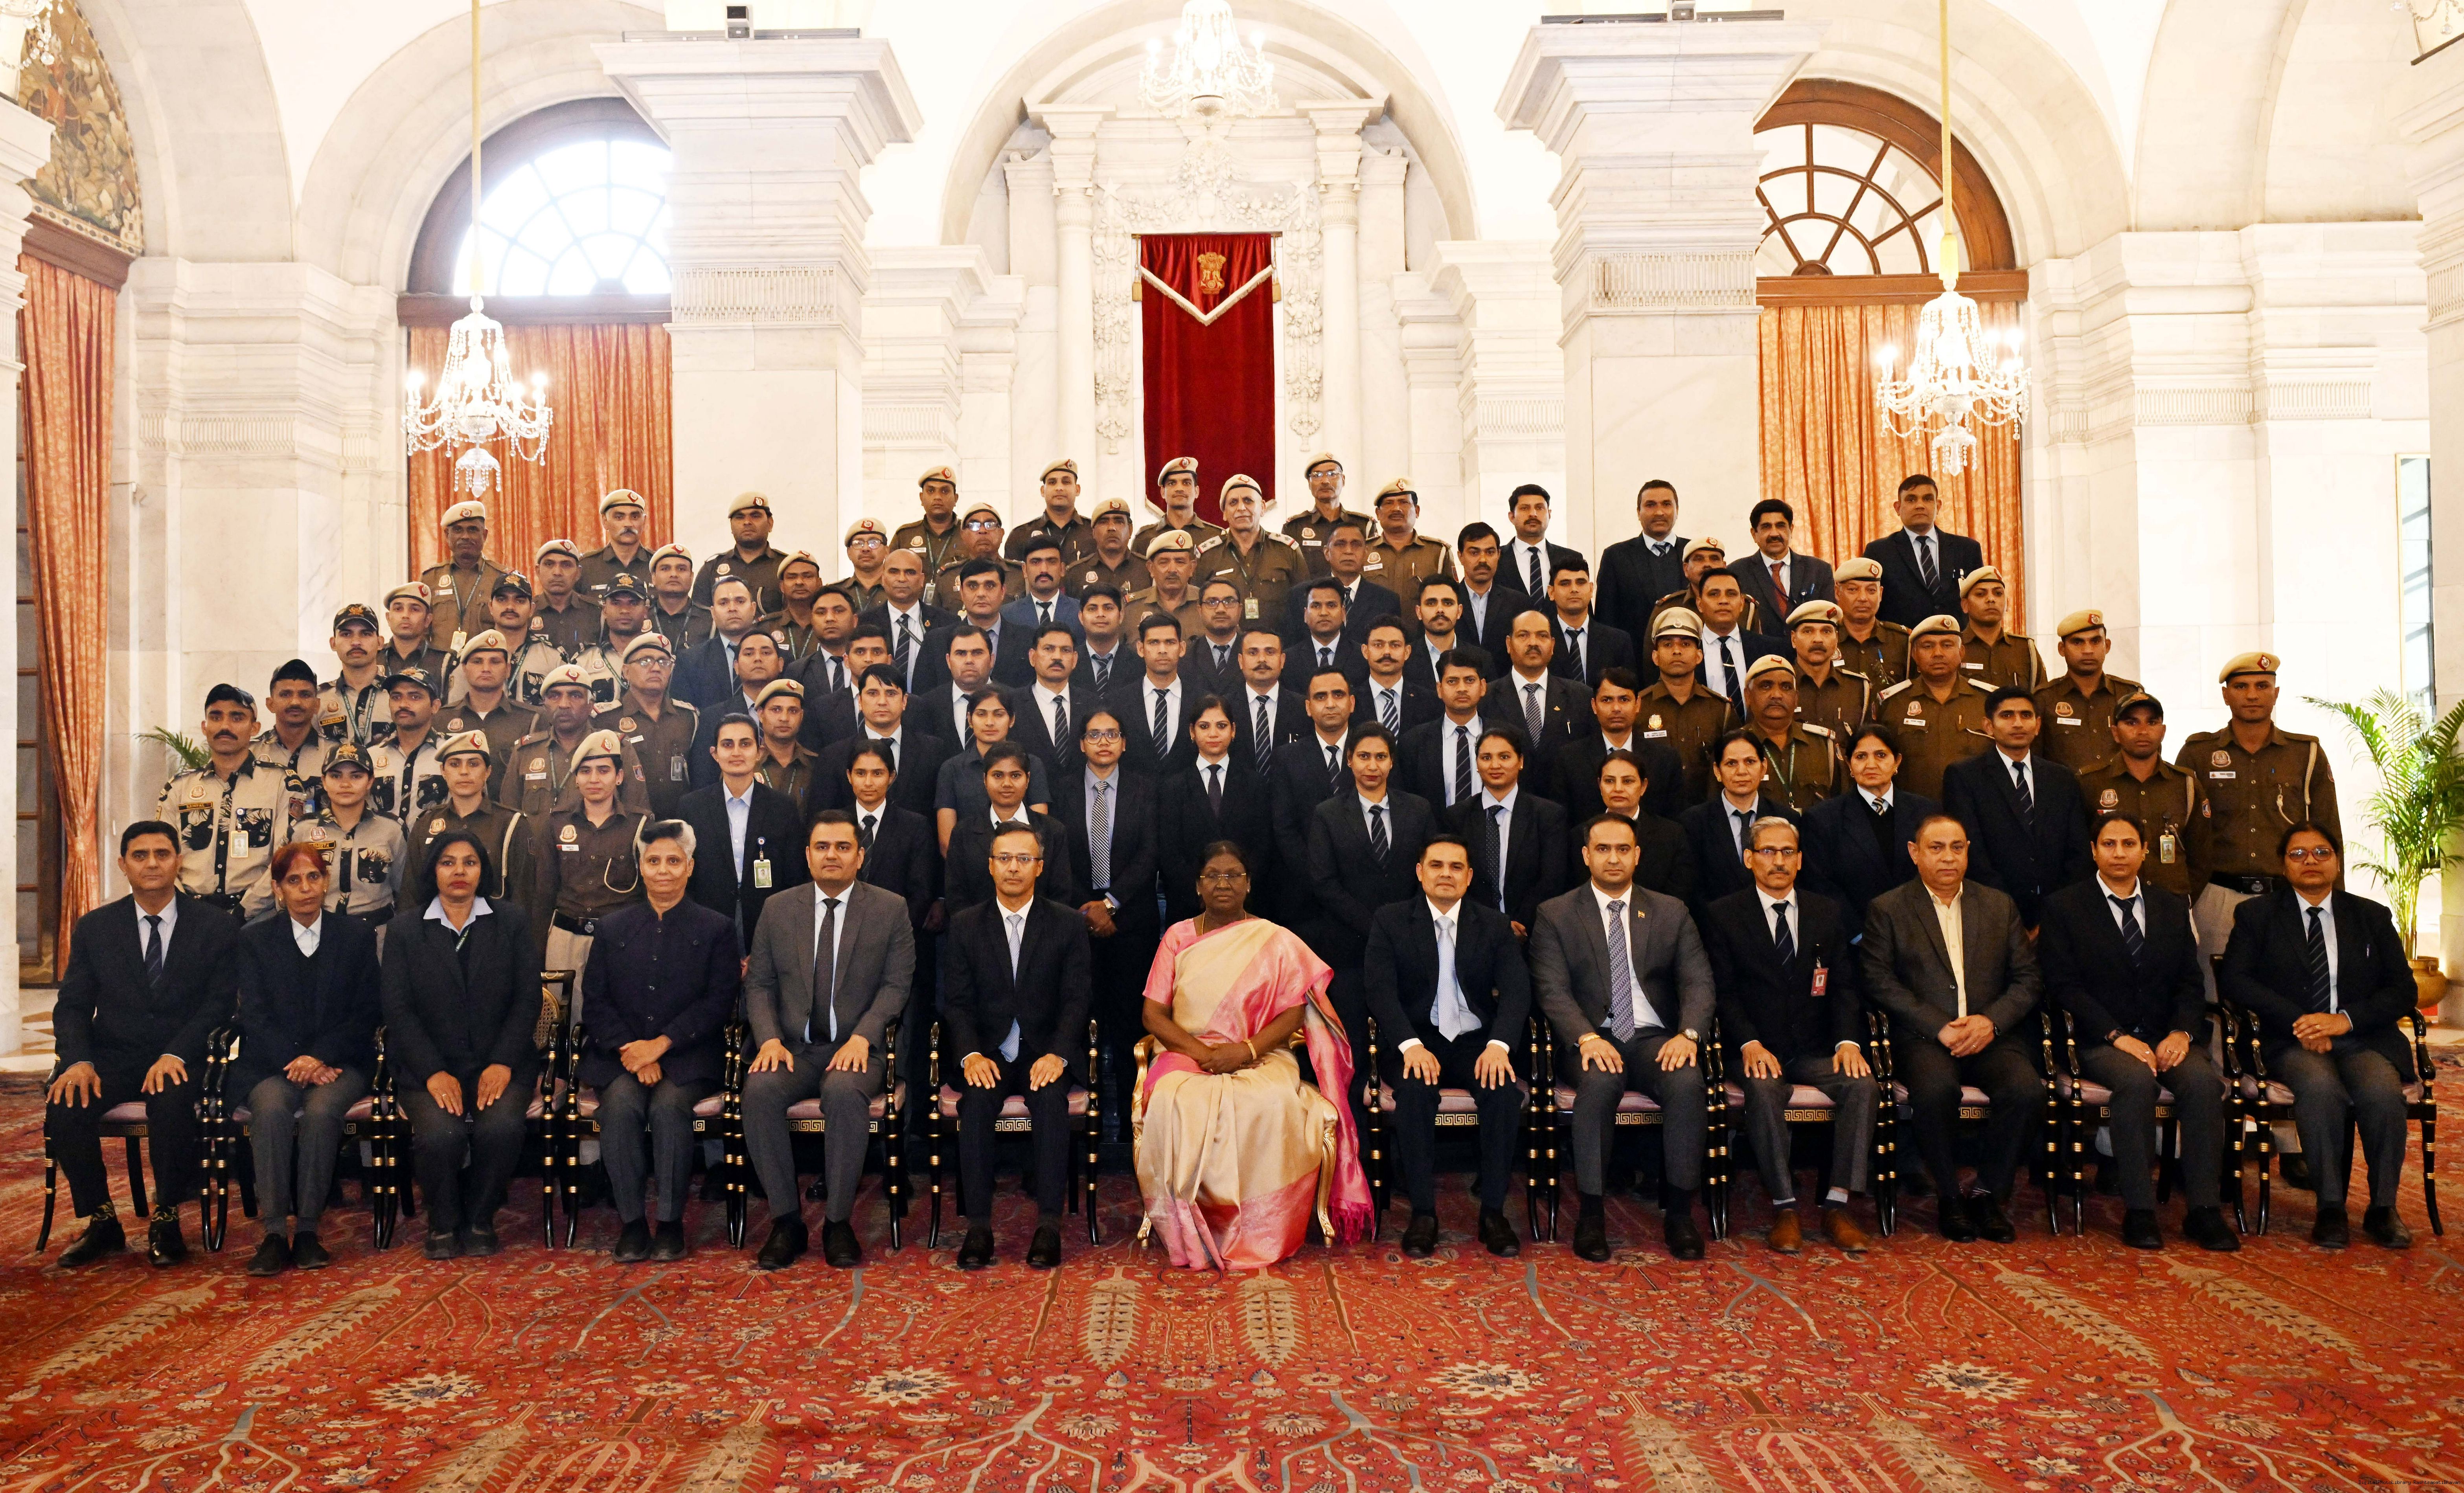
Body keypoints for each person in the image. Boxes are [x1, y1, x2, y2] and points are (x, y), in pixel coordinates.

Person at [1136, 840, 1373, 1267]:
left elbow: (1293, 1014)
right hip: (1186, 1052)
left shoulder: (1274, 938)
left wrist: (1244, 1051)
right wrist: (1203, 1053)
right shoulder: (1178, 936)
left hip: (1260, 1051)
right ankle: (1193, 1226)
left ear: (1249, 884)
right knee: (1176, 1098)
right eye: (1213, 875)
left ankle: (1259, 1229)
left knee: (1271, 1102)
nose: (1223, 883)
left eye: (1234, 875)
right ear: (1197, 886)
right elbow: (1153, 1014)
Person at [2037, 812, 2239, 1252]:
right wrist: (2117, 1036)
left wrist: (2182, 1034)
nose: (2119, 853)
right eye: (2109, 844)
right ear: (2094, 851)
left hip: (2166, 1037)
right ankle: (2141, 1210)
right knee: (2135, 1082)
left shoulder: (2171, 906)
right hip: (2100, 1040)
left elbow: (2190, 982)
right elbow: (2063, 987)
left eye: (2129, 844)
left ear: (2145, 851)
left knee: (2204, 1084)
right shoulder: (2064, 907)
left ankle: (2204, 1210)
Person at [44, 821, 242, 1268]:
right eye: (140, 855)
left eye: (162, 853)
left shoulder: (216, 926)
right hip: (113, 1055)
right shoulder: (96, 927)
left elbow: (220, 1005)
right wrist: (77, 1061)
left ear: (178, 861)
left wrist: (176, 1053)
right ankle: (102, 1221)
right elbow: (73, 1004)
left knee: (171, 1102)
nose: (152, 863)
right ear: (123, 865)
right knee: (66, 1103)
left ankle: (167, 1218)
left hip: (182, 1055)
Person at [2219, 821, 2419, 1250]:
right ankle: (2330, 1207)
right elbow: (2235, 980)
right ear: (2283, 865)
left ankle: (2383, 1207)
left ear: (2337, 861)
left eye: (2321, 852)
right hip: (2289, 1040)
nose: (2310, 861)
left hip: (2361, 1037)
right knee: (2318, 1087)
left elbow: (2403, 989)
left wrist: (2344, 1021)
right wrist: (2304, 1021)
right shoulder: (2257, 916)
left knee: (2382, 1093)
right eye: (2298, 854)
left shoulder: (2370, 916)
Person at [1532, 813, 1715, 1261]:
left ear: (1637, 856)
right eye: (1603, 849)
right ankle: (1592, 1215)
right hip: (1592, 1037)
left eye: (1622, 849)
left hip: (1654, 1037)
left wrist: (1689, 1035)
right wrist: (1585, 1038)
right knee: (1598, 1084)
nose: (1613, 858)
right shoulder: (1556, 913)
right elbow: (1552, 989)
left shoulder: (1671, 910)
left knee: (1687, 1081)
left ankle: (1680, 1214)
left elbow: (1698, 981)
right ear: (1586, 855)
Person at [1857, 813, 2045, 1243]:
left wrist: (1990, 1022)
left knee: (2026, 1091)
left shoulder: (1998, 905)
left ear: (1968, 852)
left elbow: (2028, 979)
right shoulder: (1888, 908)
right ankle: (1949, 1197)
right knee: (1935, 1091)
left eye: (1957, 848)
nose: (1948, 858)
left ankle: (1987, 1194)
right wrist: (1937, 1026)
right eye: (1936, 848)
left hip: (1990, 1035)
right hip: (1924, 1038)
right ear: (1915, 853)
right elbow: (1878, 980)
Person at [742, 813, 916, 1270]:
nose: (831, 855)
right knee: (759, 1092)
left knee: (842, 1092)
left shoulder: (890, 908)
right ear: (808, 855)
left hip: (858, 1049)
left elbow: (897, 985)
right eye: (822, 847)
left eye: (843, 847)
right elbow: (758, 984)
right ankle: (786, 1221)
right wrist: (768, 1039)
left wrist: (863, 1036)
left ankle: (838, 1222)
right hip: (794, 1049)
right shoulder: (778, 908)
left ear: (860, 856)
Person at [1701, 815, 1875, 1255]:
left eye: (1787, 852)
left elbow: (1843, 986)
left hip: (1815, 1048)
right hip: (1755, 1048)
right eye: (1767, 851)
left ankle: (1837, 1204)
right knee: (1763, 1090)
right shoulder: (1723, 914)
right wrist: (1749, 1043)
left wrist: (1848, 1043)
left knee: (1862, 1084)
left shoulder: (1825, 911)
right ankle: (1785, 1207)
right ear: (1749, 858)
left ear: (1800, 860)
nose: (1778, 861)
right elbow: (1723, 992)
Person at [1361, 835, 1530, 1258]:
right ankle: (1423, 1214)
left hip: (1476, 1042)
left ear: (1469, 877)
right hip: (1417, 1039)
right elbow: (1380, 991)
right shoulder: (1391, 920)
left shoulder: (1493, 924)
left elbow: (1516, 991)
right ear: (1420, 872)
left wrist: (1499, 1046)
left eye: (1456, 867)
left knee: (1502, 1092)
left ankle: (1493, 1213)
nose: (1446, 874)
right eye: (1436, 865)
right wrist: (1410, 1046)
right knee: (1415, 1093)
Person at [579, 820, 739, 1263]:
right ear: (641, 867)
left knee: (669, 1108)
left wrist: (662, 1045)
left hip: (689, 1057)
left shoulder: (717, 928)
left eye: (673, 861)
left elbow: (718, 1001)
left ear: (690, 867)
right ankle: (632, 1223)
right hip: (622, 1056)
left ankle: (669, 1223)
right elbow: (596, 1002)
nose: (663, 870)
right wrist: (633, 1050)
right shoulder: (612, 928)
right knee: (620, 1107)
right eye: (654, 861)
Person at [383, 829, 544, 1258]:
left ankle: (480, 1216)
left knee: (501, 1128)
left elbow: (527, 999)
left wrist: (503, 1061)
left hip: (501, 1061)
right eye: (448, 862)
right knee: (440, 1135)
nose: (459, 871)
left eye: (469, 862)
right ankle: (443, 1219)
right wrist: (433, 1071)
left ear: (482, 871)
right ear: (433, 870)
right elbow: (398, 1011)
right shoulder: (405, 929)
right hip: (429, 1065)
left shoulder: (511, 921)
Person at [944, 823, 1094, 1269]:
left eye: (1024, 859)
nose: (1014, 867)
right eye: (1005, 858)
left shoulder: (1067, 923)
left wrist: (1059, 1054)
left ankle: (1048, 1225)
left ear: (1040, 867)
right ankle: (979, 1228)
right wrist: (970, 1054)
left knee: (1050, 1101)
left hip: (1044, 1050)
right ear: (990, 866)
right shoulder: (965, 924)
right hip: (987, 1052)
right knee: (976, 1102)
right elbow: (955, 1002)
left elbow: (1077, 999)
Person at [226, 842, 381, 1275]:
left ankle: (309, 1230)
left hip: (341, 1062)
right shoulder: (255, 939)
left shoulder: (355, 936)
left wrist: (320, 1057)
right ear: (278, 889)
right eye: (293, 880)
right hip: (273, 1063)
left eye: (313, 877)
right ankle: (275, 1233)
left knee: (321, 1111)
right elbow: (254, 1015)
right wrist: (298, 1060)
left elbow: (367, 1011)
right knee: (272, 1110)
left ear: (326, 882)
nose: (306, 887)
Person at [2177, 651, 2340, 966]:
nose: (2252, 695)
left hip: (2288, 896)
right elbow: (2182, 832)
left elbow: (2330, 832)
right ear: (2226, 695)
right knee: (2215, 988)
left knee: (2290, 984)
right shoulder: (2198, 753)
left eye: (2262, 686)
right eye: (2241, 687)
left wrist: (2335, 901)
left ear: (2276, 693)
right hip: (2217, 896)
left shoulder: (2306, 753)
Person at [1306, 724, 1437, 1107]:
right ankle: (1355, 1138)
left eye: (1381, 757)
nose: (1372, 765)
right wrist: (1376, 926)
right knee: (1355, 1058)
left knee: (1405, 1050)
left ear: (1392, 762)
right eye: (1364, 756)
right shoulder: (1328, 814)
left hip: (1409, 949)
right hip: (1349, 951)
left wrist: (1401, 927)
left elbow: (1431, 872)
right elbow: (1324, 883)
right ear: (1349, 761)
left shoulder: (1419, 810)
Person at [1049, 709, 1161, 1135]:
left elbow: (1150, 852)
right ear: (1081, 743)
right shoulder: (1061, 790)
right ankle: (1082, 1125)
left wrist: (1110, 904)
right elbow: (1056, 855)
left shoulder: (1145, 789)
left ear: (1124, 743)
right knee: (1078, 1017)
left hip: (1132, 921)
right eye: (1094, 734)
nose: (1103, 742)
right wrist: (1088, 907)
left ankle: (1135, 1126)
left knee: (1130, 1022)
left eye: (1112, 734)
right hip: (1074, 921)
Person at [1942, 687, 2092, 929]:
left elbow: (2079, 852)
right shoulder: (1964, 777)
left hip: (2058, 915)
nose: (2018, 723)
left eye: (2026, 715)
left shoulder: (2062, 778)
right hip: (1993, 913)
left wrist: (2055, 914)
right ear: (1988, 726)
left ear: (2038, 725)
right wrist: (2008, 914)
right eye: (2007, 715)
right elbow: (1972, 852)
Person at [159, 683, 291, 917]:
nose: (225, 727)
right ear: (205, 727)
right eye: (216, 717)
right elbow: (162, 856)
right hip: (191, 917)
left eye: (237, 718)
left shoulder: (281, 783)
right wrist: (187, 910)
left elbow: (285, 857)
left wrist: (243, 911)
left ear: (255, 728)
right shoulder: (178, 788)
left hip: (258, 919)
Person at [1798, 724, 1939, 931]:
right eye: (1861, 757)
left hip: (1922, 930)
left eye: (1881, 755)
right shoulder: (1823, 819)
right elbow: (1820, 885)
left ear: (1897, 761)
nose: (1871, 764)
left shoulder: (1927, 813)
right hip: (1856, 937)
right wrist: (1860, 934)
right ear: (1849, 764)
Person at [679, 714, 808, 938]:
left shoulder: (782, 807)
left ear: (759, 752)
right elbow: (685, 874)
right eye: (728, 745)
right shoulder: (692, 807)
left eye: (745, 744)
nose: (736, 752)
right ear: (715, 754)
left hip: (768, 922)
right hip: (706, 923)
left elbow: (794, 876)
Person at [531, 729, 649, 973]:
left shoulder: (640, 825)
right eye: (585, 771)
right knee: (561, 1000)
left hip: (622, 939)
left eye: (603, 771)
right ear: (576, 779)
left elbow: (648, 893)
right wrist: (538, 949)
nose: (594, 779)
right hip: (566, 939)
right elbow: (544, 891)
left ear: (619, 777)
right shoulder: (556, 823)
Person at [255, 744, 408, 928]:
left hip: (378, 932)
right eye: (336, 776)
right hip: (318, 932)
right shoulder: (302, 831)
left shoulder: (392, 830)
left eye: (356, 776)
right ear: (324, 782)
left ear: (370, 782)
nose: (345, 784)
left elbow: (406, 892)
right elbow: (283, 884)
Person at [2077, 692, 2210, 903]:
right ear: (2115, 733)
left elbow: (2202, 856)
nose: (2143, 731)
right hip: (2108, 906)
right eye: (2132, 723)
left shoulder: (2185, 783)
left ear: (2163, 731)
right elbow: (2079, 853)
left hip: (2172, 905)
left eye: (2152, 722)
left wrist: (2180, 901)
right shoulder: (2090, 783)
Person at [1160, 697, 1276, 920]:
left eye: (1221, 726)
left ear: (1233, 731)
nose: (1213, 734)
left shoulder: (1255, 784)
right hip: (1190, 906)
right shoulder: (1173, 787)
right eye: (1204, 726)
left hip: (1245, 906)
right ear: (1192, 732)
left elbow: (1262, 846)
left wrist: (1238, 892)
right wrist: (1202, 894)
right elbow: (1170, 853)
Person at [1451, 727, 1569, 936]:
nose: (1495, 765)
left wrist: (1519, 923)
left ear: (1521, 761)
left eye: (1504, 757)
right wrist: (1493, 926)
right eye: (1486, 758)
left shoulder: (1548, 815)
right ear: (1477, 764)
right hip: (1474, 931)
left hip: (1533, 931)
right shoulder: (1457, 817)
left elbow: (1552, 880)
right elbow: (1454, 878)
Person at [943, 742, 1076, 913]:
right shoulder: (963, 833)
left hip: (1041, 928)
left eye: (1015, 776)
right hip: (976, 928)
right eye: (998, 776)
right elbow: (956, 897)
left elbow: (1061, 895)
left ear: (1028, 779)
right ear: (985, 780)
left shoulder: (1053, 831)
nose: (1007, 783)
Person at [811, 663, 954, 821]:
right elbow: (823, 820)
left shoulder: (934, 751)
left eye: (891, 693)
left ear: (905, 701)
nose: (882, 702)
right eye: (873, 694)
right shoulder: (834, 756)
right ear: (860, 701)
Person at [1872, 615, 1992, 799]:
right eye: (1928, 646)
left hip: (1975, 809)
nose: (1938, 653)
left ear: (1962, 652)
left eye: (1947, 645)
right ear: (1914, 655)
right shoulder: (1892, 703)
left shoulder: (1988, 701)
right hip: (1912, 810)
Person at [1681, 730, 1800, 910]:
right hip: (1714, 921)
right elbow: (1692, 888)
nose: (1742, 771)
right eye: (1732, 763)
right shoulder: (1694, 822)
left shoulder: (1787, 819)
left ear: (1763, 768)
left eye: (1750, 762)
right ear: (1717, 771)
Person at [408, 731, 531, 901]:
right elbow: (411, 896)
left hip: (495, 917)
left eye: (473, 764)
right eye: (455, 764)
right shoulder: (425, 824)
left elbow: (523, 898)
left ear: (488, 772)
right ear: (443, 771)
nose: (464, 772)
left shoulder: (512, 825)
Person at [593, 632, 700, 819]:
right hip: (627, 822)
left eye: (664, 663)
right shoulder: (606, 720)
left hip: (680, 821)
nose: (656, 668)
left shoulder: (688, 718)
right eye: (645, 661)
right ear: (626, 672)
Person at [1637, 609, 1735, 809]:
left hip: (1709, 815)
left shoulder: (1720, 709)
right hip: (1654, 814)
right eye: (1668, 644)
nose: (1677, 651)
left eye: (1686, 644)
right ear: (1655, 657)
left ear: (1699, 656)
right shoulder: (1638, 707)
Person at [1861, 474, 1985, 628]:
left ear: (1938, 506)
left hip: (1956, 638)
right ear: (1898, 508)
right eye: (1911, 500)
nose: (1920, 505)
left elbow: (1980, 599)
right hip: (1902, 640)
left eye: (1927, 499)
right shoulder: (1879, 552)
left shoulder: (1967, 549)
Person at [1193, 474, 1309, 626]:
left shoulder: (1287, 550)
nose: (1241, 508)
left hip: (1279, 640)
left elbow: (1305, 603)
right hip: (1227, 640)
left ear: (1263, 508)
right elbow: (1198, 608)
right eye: (1233, 503)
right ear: (1225, 513)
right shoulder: (1208, 555)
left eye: (1248, 501)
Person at [2032, 609, 2139, 773]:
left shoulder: (2129, 694)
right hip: (2066, 789)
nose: (2088, 650)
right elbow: (2034, 760)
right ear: (2062, 649)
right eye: (2078, 642)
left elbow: (2147, 750)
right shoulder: (2044, 698)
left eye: (2096, 641)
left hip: (2121, 788)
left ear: (2107, 646)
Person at [436, 631, 536, 803]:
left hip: (512, 816)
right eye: (477, 662)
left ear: (508, 670)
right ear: (464, 669)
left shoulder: (531, 720)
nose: (486, 669)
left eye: (495, 662)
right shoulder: (441, 719)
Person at [1584, 748, 1696, 902]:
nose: (1618, 789)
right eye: (1610, 781)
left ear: (1643, 786)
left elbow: (1678, 897)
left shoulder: (1672, 836)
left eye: (1628, 781)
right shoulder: (1579, 836)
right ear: (1600, 785)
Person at [1737, 654, 1844, 814]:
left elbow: (1843, 804)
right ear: (1748, 696)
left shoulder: (1823, 745)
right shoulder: (1733, 748)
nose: (1777, 695)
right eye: (1766, 686)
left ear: (1796, 699)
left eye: (1786, 687)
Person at [1592, 478, 1688, 645]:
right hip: (1634, 657)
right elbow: (1605, 620)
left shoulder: (1696, 554)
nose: (1659, 512)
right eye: (1651, 505)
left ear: (1677, 510)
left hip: (1691, 654)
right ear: (1638, 512)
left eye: (1666, 504)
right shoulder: (1615, 557)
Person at [1498, 609, 1594, 769]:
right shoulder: (1486, 698)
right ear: (1509, 644)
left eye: (1542, 636)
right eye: (1523, 635)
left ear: (1553, 645)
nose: (1533, 643)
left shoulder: (1581, 697)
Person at [1283, 521, 1400, 652]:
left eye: (1356, 545)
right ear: (1327, 553)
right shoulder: (1300, 596)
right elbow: (1291, 649)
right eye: (1340, 544)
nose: (1349, 551)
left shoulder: (1386, 601)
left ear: (1366, 553)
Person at [1399, 648, 1491, 811]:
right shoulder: (1414, 743)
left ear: (1483, 687)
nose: (1462, 688)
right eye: (1452, 681)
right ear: (1439, 689)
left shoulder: (1506, 738)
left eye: (1470, 680)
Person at [420, 499, 509, 653]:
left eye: (473, 530)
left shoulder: (501, 578)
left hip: (485, 664)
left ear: (485, 535)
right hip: (439, 664)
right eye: (458, 530)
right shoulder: (431, 578)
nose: (466, 536)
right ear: (447, 535)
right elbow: (421, 631)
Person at [1731, 498, 1836, 626]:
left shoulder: (1819, 570)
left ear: (1791, 530)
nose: (1774, 534)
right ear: (1754, 534)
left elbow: (1829, 619)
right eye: (1766, 527)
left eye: (1781, 526)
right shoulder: (1736, 573)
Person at [1012, 623, 1098, 777]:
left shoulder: (1093, 705)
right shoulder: (1012, 705)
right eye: (1049, 649)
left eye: (1065, 650)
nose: (1057, 657)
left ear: (1075, 660)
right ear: (1032, 657)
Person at [252, 657, 333, 822]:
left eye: (305, 695)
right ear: (270, 704)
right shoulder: (250, 755)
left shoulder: (334, 755)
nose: (295, 702)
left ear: (317, 705)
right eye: (286, 694)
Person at [1123, 613, 1202, 775]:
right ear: (1140, 649)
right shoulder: (1119, 702)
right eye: (1154, 643)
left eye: (1170, 642)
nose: (1162, 650)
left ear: (1182, 648)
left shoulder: (1201, 701)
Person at [369, 666, 449, 823]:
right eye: (396, 697)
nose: (403, 704)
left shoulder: (451, 753)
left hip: (436, 839)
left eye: (415, 697)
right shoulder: (372, 755)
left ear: (435, 707)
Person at [1787, 601, 1872, 744]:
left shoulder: (1858, 688)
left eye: (1826, 631)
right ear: (1794, 639)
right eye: (1808, 631)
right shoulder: (1780, 688)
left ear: (1837, 638)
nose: (1818, 640)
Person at [1695, 568, 1784, 705]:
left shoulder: (1770, 650)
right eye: (1714, 594)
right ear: (1700, 604)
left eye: (1731, 594)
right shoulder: (1689, 651)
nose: (1723, 601)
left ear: (1742, 603)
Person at [1546, 558, 1635, 690]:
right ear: (1551, 592)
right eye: (1565, 584)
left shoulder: (1618, 641)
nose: (1574, 589)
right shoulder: (1541, 639)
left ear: (1591, 589)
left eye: (1581, 583)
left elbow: (1628, 691)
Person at [1361, 476, 1456, 599]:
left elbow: (1453, 598)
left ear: (1417, 511)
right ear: (1378, 513)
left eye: (1404, 502)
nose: (1396, 509)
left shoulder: (1438, 553)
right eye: (1389, 503)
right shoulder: (1362, 551)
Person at [1282, 453, 1375, 576]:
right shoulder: (1295, 527)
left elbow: (1371, 569)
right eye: (1317, 475)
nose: (1325, 481)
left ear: (1343, 480)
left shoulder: (1364, 525)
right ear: (1309, 483)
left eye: (1332, 474)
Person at [1227, 627, 1306, 771]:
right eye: (1253, 653)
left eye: (1270, 652)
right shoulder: (1225, 708)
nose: (1262, 659)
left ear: (1282, 660)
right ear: (1241, 661)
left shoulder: (1304, 708)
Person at [693, 492, 785, 613]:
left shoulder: (786, 568)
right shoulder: (711, 569)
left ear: (770, 523)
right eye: (740, 517)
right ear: (731, 527)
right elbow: (700, 618)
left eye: (755, 516)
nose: (747, 522)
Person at [1493, 484, 1583, 604]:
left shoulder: (1571, 558)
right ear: (1512, 517)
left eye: (1540, 508)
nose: (1533, 514)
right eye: (1525, 508)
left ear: (1549, 514)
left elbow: (1583, 609)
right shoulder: (1495, 559)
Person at [1831, 556, 1909, 690]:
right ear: (1838, 593)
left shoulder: (1902, 641)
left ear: (1880, 594)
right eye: (1853, 590)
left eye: (1871, 591)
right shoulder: (1827, 638)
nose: (1863, 598)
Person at [322, 602, 392, 747]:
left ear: (380, 643)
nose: (356, 642)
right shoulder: (319, 699)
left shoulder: (397, 695)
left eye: (366, 634)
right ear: (333, 644)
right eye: (346, 634)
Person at [1353, 617, 1435, 738]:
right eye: (1378, 645)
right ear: (1365, 651)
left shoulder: (1430, 702)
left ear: (1407, 652)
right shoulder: (1351, 702)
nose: (1387, 652)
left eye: (1395, 645)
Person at [1006, 457, 1095, 563]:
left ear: (1077, 490)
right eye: (1052, 483)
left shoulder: (1094, 532)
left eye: (1066, 482)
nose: (1059, 488)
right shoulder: (1021, 536)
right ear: (1043, 491)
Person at [1134, 455, 1226, 558]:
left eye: (1186, 483)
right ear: (1163, 492)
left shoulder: (1216, 537)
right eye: (1172, 483)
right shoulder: (1144, 539)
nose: (1179, 489)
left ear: (1197, 492)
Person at [1453, 522, 1517, 666]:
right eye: (1474, 553)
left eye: (1490, 552)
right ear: (1460, 556)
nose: (1483, 560)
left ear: (1499, 555)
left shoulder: (1517, 603)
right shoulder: (1448, 601)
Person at [892, 465, 967, 582]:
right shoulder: (905, 535)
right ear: (921, 498)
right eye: (931, 491)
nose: (938, 497)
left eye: (945, 491)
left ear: (956, 499)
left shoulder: (969, 533)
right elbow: (890, 574)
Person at [1003, 534, 1083, 642]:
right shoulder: (1006, 615)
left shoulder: (1081, 612)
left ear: (1062, 569)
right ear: (1025, 570)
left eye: (1052, 562)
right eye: (1036, 562)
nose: (1044, 570)